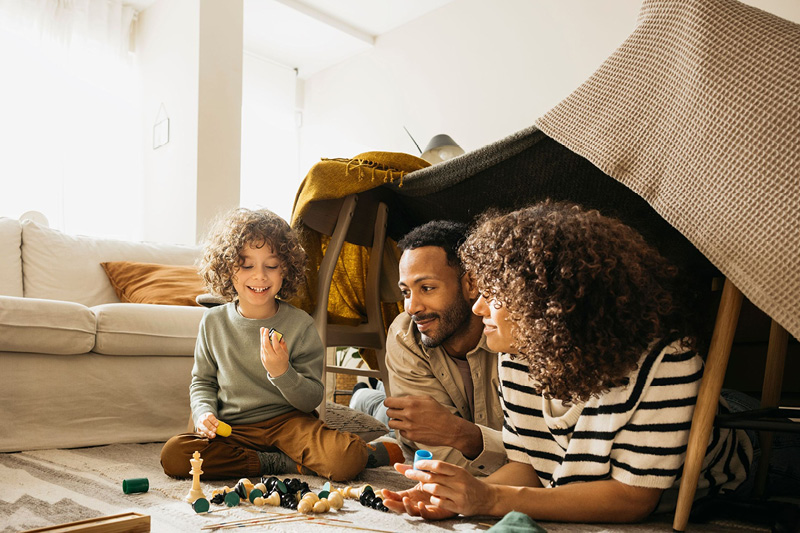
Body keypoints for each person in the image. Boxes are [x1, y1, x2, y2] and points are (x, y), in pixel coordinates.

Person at [382, 201, 759, 523]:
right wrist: (457, 495)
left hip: (755, 445)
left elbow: (632, 499)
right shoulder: (516, 355)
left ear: (545, 302)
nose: (478, 308)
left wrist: (491, 499)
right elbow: (530, 465)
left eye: (494, 295)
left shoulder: (665, 362)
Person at [160, 208, 401, 481]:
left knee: (345, 459)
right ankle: (278, 464)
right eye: (246, 265)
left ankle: (367, 454)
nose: (260, 276)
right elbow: (202, 382)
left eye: (271, 266)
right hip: (234, 430)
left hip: (291, 425)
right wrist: (205, 413)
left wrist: (281, 372)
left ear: (285, 268)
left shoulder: (300, 325)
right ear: (227, 269)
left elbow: (311, 397)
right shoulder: (213, 322)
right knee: (175, 456)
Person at [351, 220, 506, 475]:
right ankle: (362, 396)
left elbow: (539, 457)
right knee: (384, 414)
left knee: (388, 417)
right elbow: (442, 461)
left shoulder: (508, 334)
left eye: (427, 288)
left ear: (471, 284)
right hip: (407, 424)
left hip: (441, 420)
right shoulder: (405, 334)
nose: (412, 307)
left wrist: (464, 434)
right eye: (406, 292)